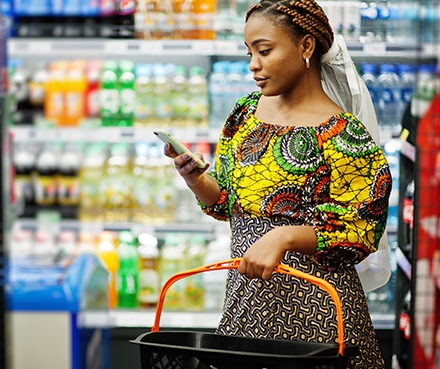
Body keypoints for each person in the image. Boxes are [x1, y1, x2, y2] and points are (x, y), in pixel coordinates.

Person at [162, 0, 391, 368]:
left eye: (264, 50)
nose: (253, 63)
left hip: (319, 322)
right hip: (246, 311)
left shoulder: (345, 136)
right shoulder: (244, 115)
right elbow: (225, 202)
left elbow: (359, 233)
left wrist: (285, 237)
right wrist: (195, 179)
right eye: (249, 51)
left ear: (305, 47)